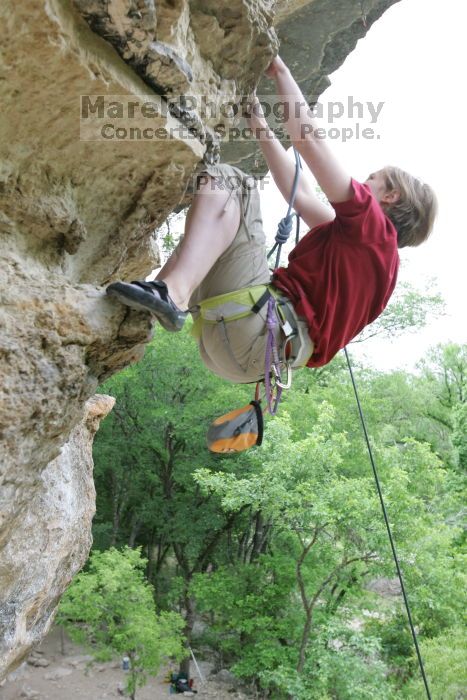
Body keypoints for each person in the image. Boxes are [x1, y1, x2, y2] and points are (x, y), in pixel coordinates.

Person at [107, 56, 437, 386]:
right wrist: (258, 123)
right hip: (248, 353)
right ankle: (153, 301)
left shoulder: (372, 227)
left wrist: (280, 69)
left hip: (253, 331)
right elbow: (302, 196)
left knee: (233, 184)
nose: (364, 184)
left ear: (391, 196)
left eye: (372, 179)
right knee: (209, 236)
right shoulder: (373, 257)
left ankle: (171, 294)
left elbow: (309, 141)